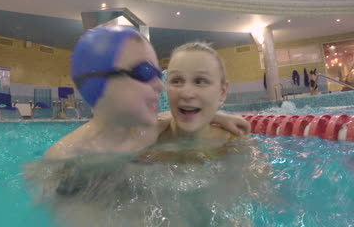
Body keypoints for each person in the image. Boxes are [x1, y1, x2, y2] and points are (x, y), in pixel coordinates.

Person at [25, 26, 252, 226]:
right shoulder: (65, 162)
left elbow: (167, 118)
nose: (160, 87)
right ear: (101, 83)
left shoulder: (146, 130)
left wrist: (215, 114)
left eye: (158, 74)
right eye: (144, 73)